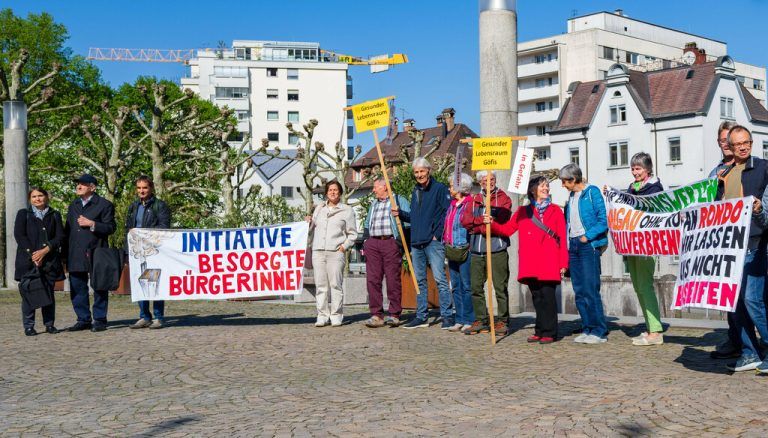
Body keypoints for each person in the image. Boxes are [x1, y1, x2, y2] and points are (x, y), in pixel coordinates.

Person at [484, 176, 568, 343]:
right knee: (536, 297)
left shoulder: (556, 211)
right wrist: (491, 223)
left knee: (548, 297)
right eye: (542, 186)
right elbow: (507, 230)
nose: (546, 189)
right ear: (533, 190)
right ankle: (540, 329)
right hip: (531, 261)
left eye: (547, 186)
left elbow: (562, 239)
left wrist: (563, 263)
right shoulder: (523, 212)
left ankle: (550, 332)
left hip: (550, 260)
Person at [714, 125, 768, 372]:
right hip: (730, 247)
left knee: (752, 300)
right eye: (738, 144)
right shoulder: (723, 174)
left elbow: (767, 215)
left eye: (747, 142)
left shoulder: (764, 168)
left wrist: (758, 210)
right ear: (730, 146)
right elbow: (714, 210)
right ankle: (750, 352)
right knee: (734, 303)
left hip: (757, 245)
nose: (743, 146)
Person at [392, 157, 453, 329]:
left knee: (440, 279)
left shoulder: (440, 189)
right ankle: (421, 316)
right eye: (416, 172)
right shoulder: (415, 191)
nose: (419, 175)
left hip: (433, 242)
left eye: (422, 171)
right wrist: (401, 214)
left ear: (429, 170)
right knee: (419, 281)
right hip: (416, 241)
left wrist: (437, 234)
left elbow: (447, 213)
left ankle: (447, 316)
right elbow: (415, 217)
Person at [560, 163, 609, 344]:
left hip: (588, 246)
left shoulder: (592, 192)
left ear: (574, 180)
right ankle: (587, 327)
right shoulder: (572, 196)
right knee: (579, 290)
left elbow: (603, 220)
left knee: (590, 288)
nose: (563, 185)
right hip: (573, 246)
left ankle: (599, 331)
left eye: (565, 182)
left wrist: (587, 237)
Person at [460, 170, 512, 336]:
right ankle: (481, 319)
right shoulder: (474, 199)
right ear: (480, 182)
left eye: (492, 179)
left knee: (500, 287)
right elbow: (465, 221)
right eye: (485, 179)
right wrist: (480, 222)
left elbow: (504, 218)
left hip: (497, 249)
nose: (489, 182)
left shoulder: (503, 197)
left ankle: (502, 320)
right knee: (476, 287)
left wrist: (486, 223)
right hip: (477, 249)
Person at [64, 174, 116, 332]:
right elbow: (68, 230)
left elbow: (111, 227)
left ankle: (99, 319)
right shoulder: (73, 205)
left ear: (92, 187)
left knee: (100, 286)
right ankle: (83, 319)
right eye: (77, 184)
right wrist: (64, 255)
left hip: (96, 251)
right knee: (77, 287)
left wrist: (92, 224)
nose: (78, 186)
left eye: (83, 184)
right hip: (75, 252)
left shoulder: (104, 204)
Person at [624, 153, 665, 346]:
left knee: (645, 286)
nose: (635, 172)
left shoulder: (655, 188)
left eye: (638, 168)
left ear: (647, 169)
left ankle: (656, 331)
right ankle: (650, 327)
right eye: (633, 168)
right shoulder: (632, 188)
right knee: (638, 287)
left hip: (647, 243)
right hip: (631, 242)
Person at [708, 121, 742, 360]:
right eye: (722, 140)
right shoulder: (715, 171)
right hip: (723, 241)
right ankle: (736, 339)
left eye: (729, 138)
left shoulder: (747, 166)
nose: (726, 143)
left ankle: (751, 342)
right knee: (729, 295)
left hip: (746, 239)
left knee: (750, 296)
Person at [14, 187, 65, 336]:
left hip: (49, 261)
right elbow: (20, 235)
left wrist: (46, 250)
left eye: (40, 195)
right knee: (29, 292)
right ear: (30, 199)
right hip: (28, 262)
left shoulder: (54, 215)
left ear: (46, 197)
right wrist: (34, 255)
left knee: (48, 293)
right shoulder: (24, 214)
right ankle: (29, 326)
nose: (37, 199)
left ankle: (49, 324)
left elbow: (60, 237)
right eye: (34, 196)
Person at [307, 180, 358, 327]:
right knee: (321, 285)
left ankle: (336, 315)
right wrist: (308, 222)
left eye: (335, 190)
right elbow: (311, 229)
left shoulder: (346, 210)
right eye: (330, 190)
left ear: (340, 192)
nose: (333, 192)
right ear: (326, 193)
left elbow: (353, 234)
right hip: (318, 251)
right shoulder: (319, 209)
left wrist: (344, 246)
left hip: (335, 252)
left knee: (336, 285)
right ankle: (322, 315)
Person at [362, 178, 410, 328]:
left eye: (376, 187)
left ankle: (394, 314)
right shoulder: (374, 204)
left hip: (390, 242)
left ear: (384, 187)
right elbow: (367, 223)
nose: (374, 190)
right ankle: (376, 314)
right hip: (373, 243)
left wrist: (400, 244)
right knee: (373, 279)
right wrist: (366, 241)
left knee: (392, 279)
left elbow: (408, 222)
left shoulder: (398, 200)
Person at [126, 176, 171, 330]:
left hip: (154, 251)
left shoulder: (160, 206)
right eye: (139, 188)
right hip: (137, 252)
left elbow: (164, 226)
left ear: (151, 188)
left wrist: (146, 234)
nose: (141, 191)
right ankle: (144, 316)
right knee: (141, 283)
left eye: (144, 188)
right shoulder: (133, 206)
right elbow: (128, 226)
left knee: (155, 283)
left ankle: (158, 317)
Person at [443, 173, 476, 332]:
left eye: (451, 185)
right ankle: (460, 318)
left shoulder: (470, 204)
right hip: (451, 249)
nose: (450, 188)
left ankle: (470, 318)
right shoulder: (452, 205)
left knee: (466, 285)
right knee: (455, 286)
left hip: (464, 249)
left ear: (460, 187)